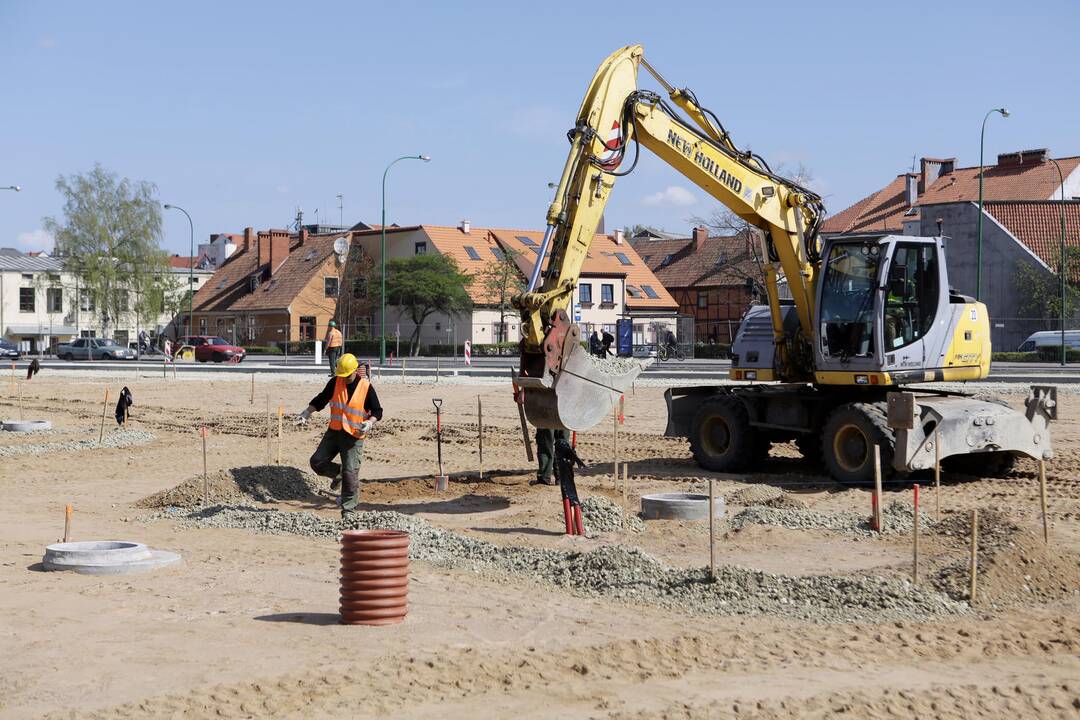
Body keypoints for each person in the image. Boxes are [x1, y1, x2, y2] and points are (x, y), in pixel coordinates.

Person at [296, 353, 383, 518]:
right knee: (317, 462)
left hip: (353, 436)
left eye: (346, 375)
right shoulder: (335, 381)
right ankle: (339, 474)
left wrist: (370, 422)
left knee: (350, 475)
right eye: (341, 375)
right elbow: (321, 399)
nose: (344, 378)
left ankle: (348, 511)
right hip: (334, 432)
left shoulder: (365, 387)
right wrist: (306, 413)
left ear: (355, 371)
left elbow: (378, 411)